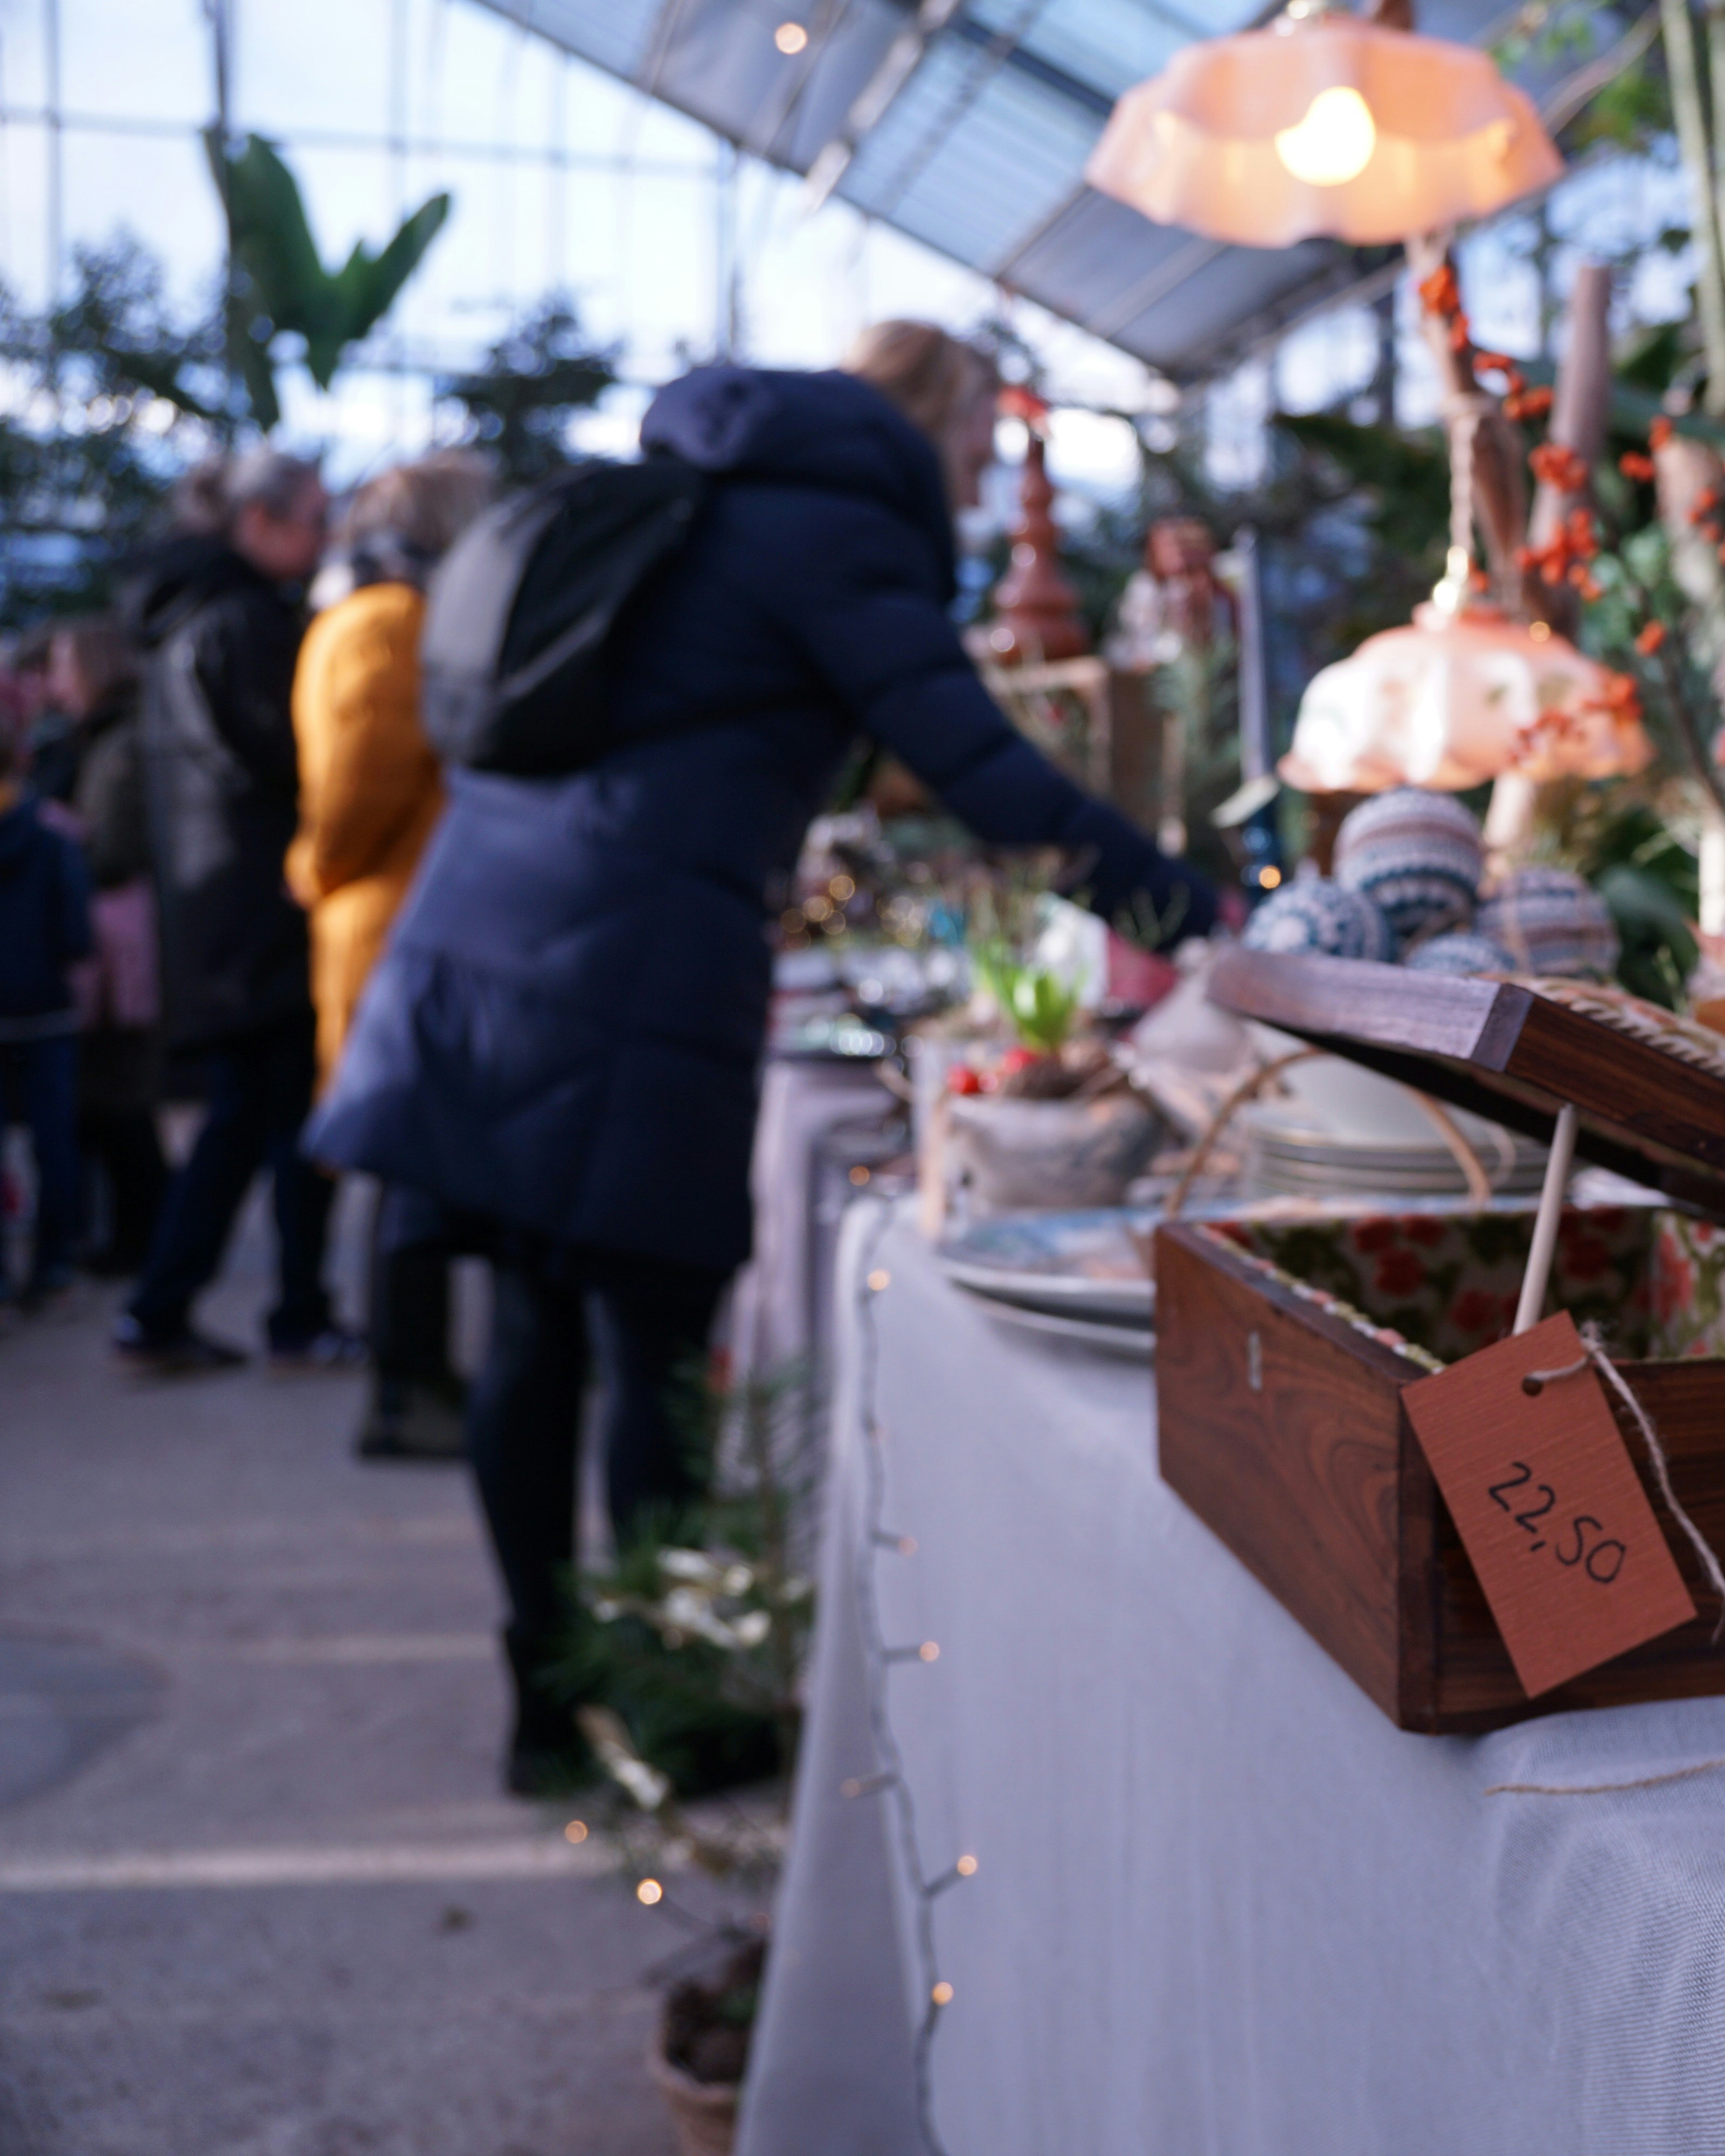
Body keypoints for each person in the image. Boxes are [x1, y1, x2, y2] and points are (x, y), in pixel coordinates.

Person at [310, 322, 1224, 1791]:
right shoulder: (834, 530)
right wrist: (1206, 922)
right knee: (653, 1351)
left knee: (535, 1337)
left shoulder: (696, 490)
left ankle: (557, 1711)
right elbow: (989, 774)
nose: (990, 474)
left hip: (476, 940)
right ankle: (663, 1710)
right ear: (934, 417)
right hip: (631, 970)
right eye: (986, 438)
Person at [115, 447, 348, 1371]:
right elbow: (290, 760)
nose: (325, 540)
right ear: (257, 522)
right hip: (262, 911)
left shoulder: (188, 619)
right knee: (277, 1123)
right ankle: (278, 1311)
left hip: (221, 914)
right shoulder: (242, 621)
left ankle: (170, 1307)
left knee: (247, 1118)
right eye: (313, 520)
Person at [289, 450, 497, 1460]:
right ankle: (407, 1383)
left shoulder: (360, 614)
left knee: (408, 1158)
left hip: (382, 907)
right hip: (391, 914)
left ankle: (414, 1375)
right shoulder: (392, 625)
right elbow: (356, 789)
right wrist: (319, 866)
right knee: (407, 1161)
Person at [37, 618, 163, 1276]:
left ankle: (139, 1236)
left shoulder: (120, 744)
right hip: (90, 933)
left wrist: (53, 838)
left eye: (63, 666)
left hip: (115, 945)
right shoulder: (84, 741)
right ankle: (120, 1234)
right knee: (102, 1099)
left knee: (117, 1098)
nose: (55, 683)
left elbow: (114, 847)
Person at [0, 710, 92, 1307]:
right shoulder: (54, 833)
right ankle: (53, 1267)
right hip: (47, 1007)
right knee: (56, 1143)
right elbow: (76, 933)